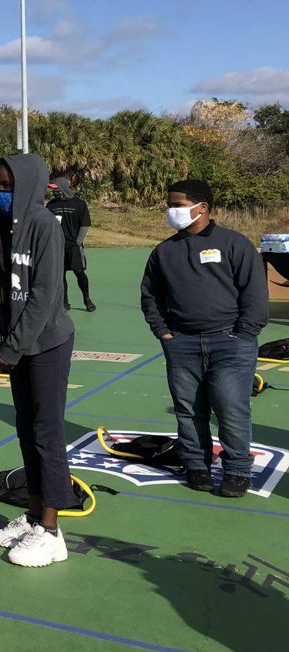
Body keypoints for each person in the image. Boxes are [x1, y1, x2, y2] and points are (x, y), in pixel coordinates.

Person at [141, 179, 268, 499]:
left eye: (178, 206)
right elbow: (150, 296)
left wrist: (243, 334)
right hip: (182, 344)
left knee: (231, 408)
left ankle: (237, 470)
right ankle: (196, 465)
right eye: (169, 205)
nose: (172, 211)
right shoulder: (164, 251)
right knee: (188, 409)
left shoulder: (235, 244)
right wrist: (165, 333)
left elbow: (254, 295)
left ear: (203, 208)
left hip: (230, 343)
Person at [0, 154, 78, 568]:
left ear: (29, 186)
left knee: (47, 434)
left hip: (47, 345)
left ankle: (53, 533)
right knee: (25, 430)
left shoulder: (44, 225)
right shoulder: (0, 227)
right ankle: (35, 516)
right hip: (17, 347)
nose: (2, 194)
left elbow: (43, 297)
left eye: (9, 186)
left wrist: (13, 346)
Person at [46, 177, 95, 312]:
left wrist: (77, 242)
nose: (53, 191)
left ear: (62, 188)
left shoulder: (79, 204)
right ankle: (65, 302)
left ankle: (87, 299)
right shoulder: (50, 205)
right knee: (60, 275)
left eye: (55, 189)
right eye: (52, 189)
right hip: (57, 246)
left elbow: (85, 224)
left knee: (79, 272)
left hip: (74, 246)